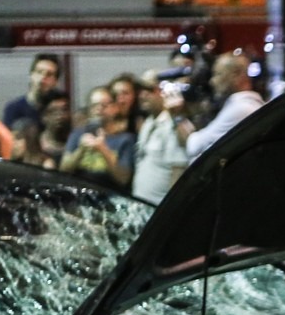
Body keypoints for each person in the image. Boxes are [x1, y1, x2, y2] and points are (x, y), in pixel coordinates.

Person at [183, 52, 264, 161]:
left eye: (218, 74)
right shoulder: (243, 105)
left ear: (236, 74)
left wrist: (178, 117)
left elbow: (194, 147)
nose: (212, 81)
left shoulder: (241, 108)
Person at [60, 84, 136, 190]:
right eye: (94, 105)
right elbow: (63, 170)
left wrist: (103, 149)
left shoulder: (125, 139)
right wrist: (81, 150)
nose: (99, 109)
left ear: (115, 108)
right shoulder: (77, 134)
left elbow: (123, 179)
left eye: (104, 105)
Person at [132, 71, 189, 203]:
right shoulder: (148, 122)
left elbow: (178, 170)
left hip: (158, 208)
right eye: (140, 90)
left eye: (150, 90)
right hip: (141, 206)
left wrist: (171, 209)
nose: (142, 95)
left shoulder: (174, 124)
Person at [2, 54, 62, 129]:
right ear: (31, 75)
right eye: (39, 72)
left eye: (49, 74)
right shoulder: (13, 108)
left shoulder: (59, 109)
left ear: (55, 82)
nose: (42, 77)